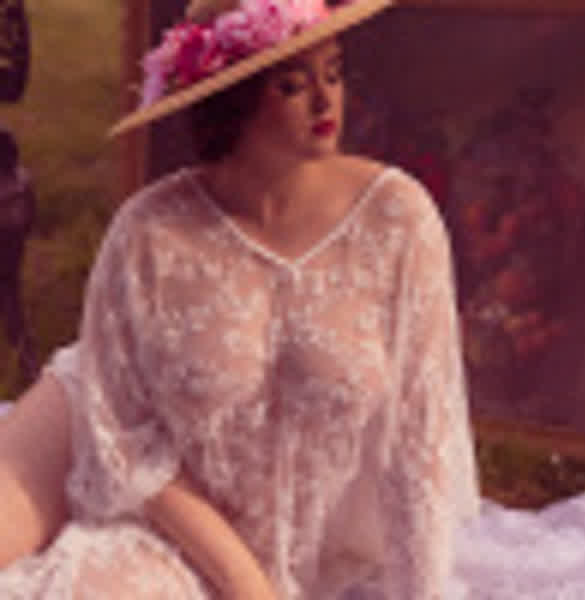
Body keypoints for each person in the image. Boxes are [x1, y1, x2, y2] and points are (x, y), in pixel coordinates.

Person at [0, 1, 480, 598]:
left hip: (323, 549)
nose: (326, 101)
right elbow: (128, 441)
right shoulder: (149, 232)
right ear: (233, 100)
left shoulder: (397, 219)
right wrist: (248, 585)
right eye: (292, 85)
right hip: (139, 466)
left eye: (333, 72)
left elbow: (420, 446)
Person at [0, 130, 37, 383]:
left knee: (13, 309)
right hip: (13, 250)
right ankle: (28, 366)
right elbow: (31, 216)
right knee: (13, 307)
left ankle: (27, 365)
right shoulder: (23, 180)